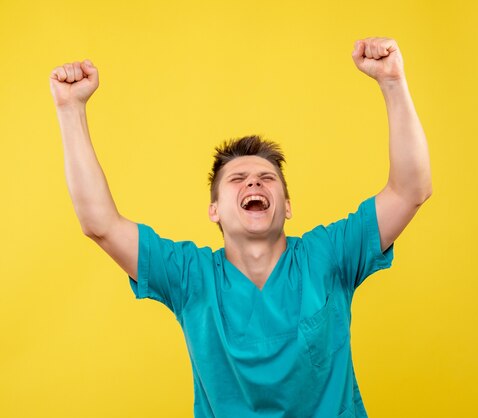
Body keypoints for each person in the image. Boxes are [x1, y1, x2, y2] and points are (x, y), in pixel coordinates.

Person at [50, 37, 432, 418]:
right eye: (238, 179)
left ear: (287, 206)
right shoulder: (190, 277)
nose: (253, 183)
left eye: (267, 178)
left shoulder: (328, 255)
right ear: (214, 210)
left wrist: (393, 82)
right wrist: (70, 109)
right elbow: (99, 224)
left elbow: (410, 190)